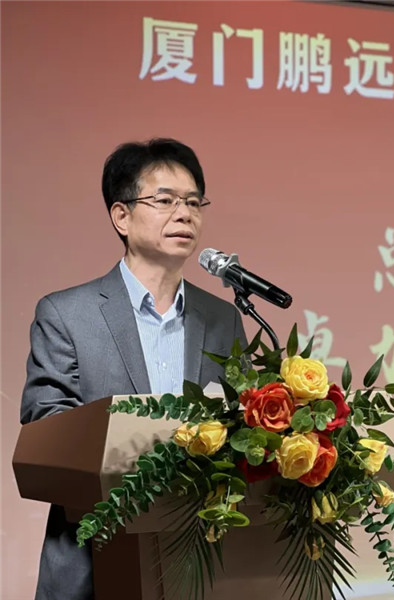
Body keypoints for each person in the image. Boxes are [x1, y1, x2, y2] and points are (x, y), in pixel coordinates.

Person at [20, 138, 247, 600]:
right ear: (121, 216)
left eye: (193, 202)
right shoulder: (66, 314)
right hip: (94, 559)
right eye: (165, 201)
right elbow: (47, 427)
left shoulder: (223, 318)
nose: (184, 214)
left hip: (198, 564)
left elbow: (245, 427)